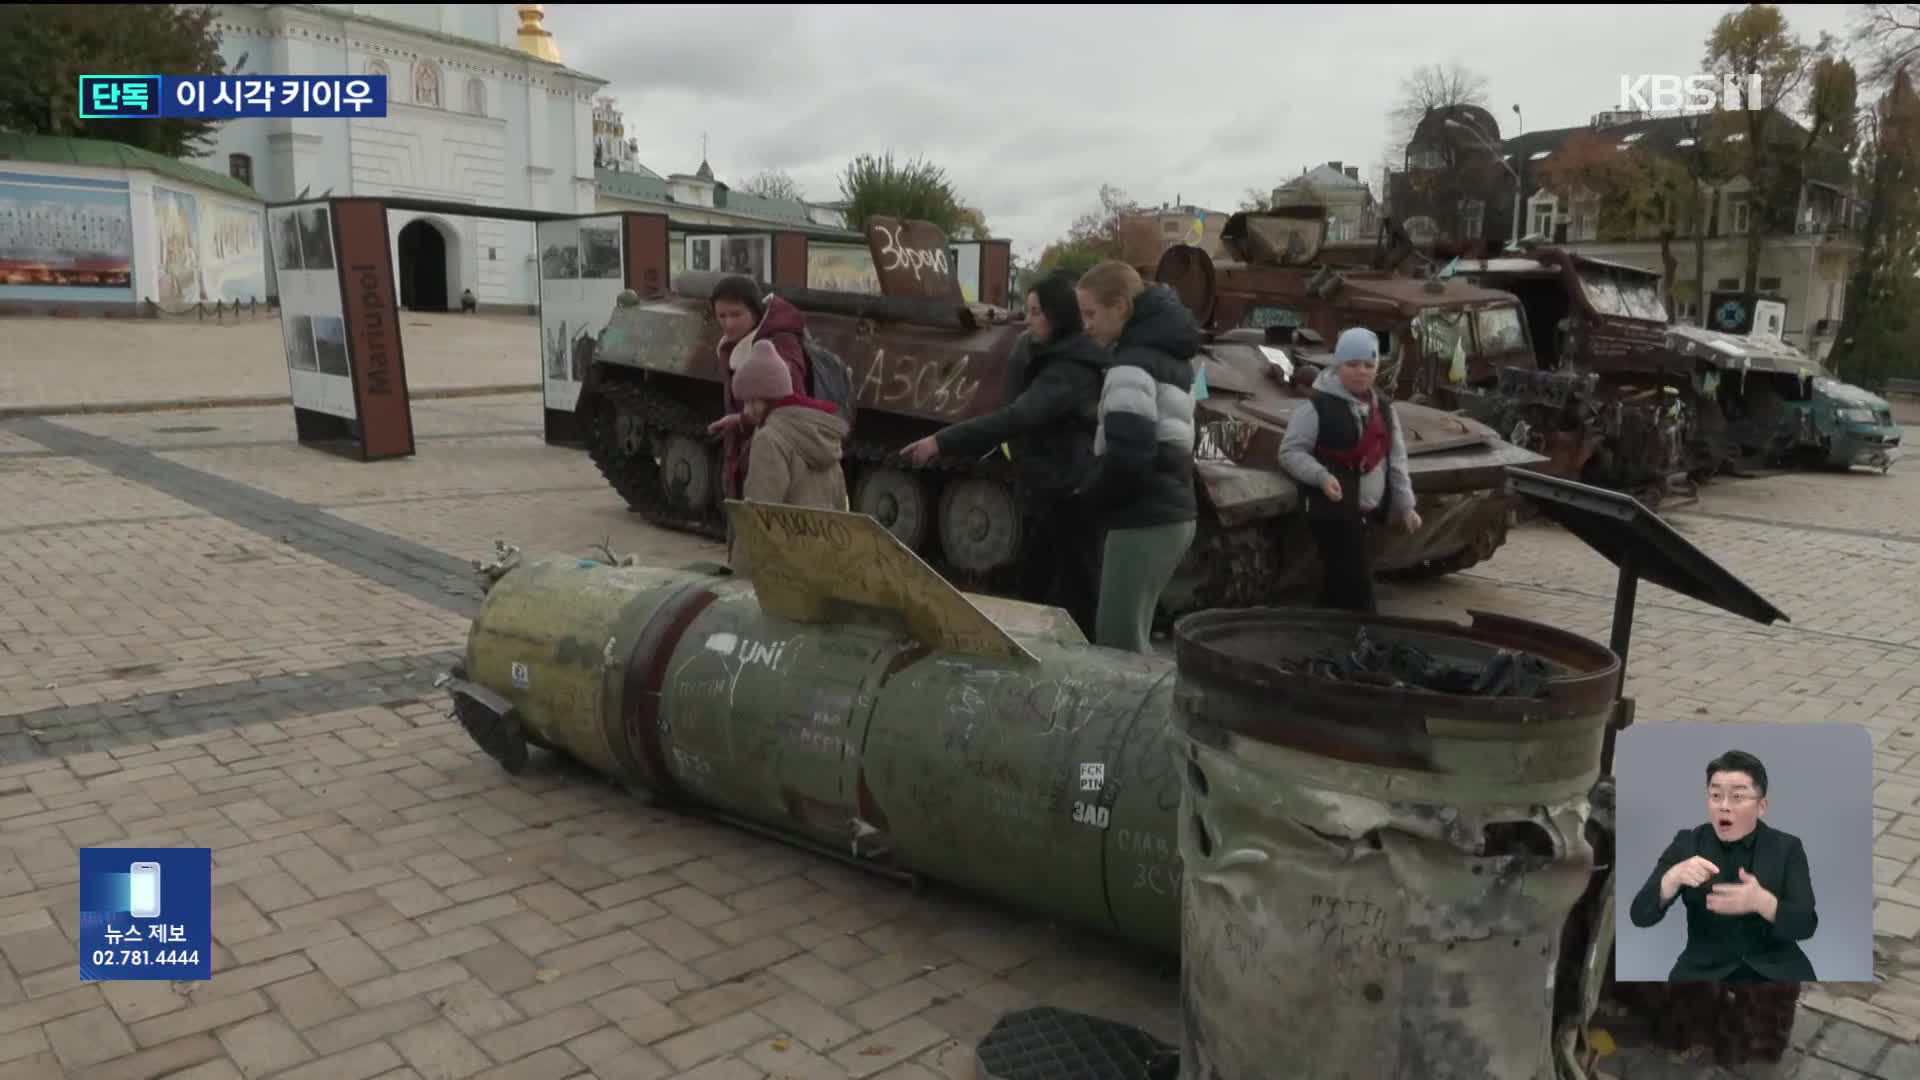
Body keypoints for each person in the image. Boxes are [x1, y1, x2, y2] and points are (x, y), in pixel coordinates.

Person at [900, 271, 1106, 638]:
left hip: (1070, 493)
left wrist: (941, 441)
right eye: (1026, 310)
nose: (1028, 320)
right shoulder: (1050, 352)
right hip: (1051, 489)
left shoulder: (1069, 369)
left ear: (1059, 314)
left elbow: (1018, 416)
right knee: (1037, 585)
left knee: (1075, 589)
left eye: (1037, 312)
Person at [1072, 261, 1200, 653]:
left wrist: (1088, 496)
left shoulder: (1131, 364)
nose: (1086, 326)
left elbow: (1129, 457)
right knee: (1133, 635)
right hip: (1172, 511)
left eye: (1091, 313)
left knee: (1118, 644)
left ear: (1121, 306)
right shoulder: (1169, 355)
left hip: (1142, 517)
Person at [1628, 750, 1819, 983]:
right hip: (1703, 972)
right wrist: (1671, 878)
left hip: (1775, 970)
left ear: (1762, 806)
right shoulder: (1687, 843)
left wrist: (1762, 902)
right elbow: (1639, 915)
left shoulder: (1787, 848)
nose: (1724, 806)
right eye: (1716, 795)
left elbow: (1806, 925)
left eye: (1737, 797)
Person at [1276, 327, 1422, 613]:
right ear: (1338, 365)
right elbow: (1290, 452)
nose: (1361, 372)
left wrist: (1406, 506)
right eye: (1352, 364)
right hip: (1332, 511)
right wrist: (1321, 476)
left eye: (1369, 365)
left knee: (1338, 585)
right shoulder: (1316, 407)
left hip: (1367, 513)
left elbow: (1396, 459)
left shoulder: (1384, 408)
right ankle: (1367, 639)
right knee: (1358, 589)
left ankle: (1322, 636)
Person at [730, 340, 850, 572]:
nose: (746, 410)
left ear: (765, 397)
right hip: (823, 560)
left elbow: (759, 515)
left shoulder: (770, 438)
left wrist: (739, 574)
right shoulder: (819, 431)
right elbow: (840, 502)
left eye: (750, 400)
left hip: (784, 566)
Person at [704, 275, 810, 501]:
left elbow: (791, 411)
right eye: (721, 316)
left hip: (774, 467)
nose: (728, 324)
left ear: (755, 311)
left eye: (736, 314)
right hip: (749, 459)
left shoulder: (780, 346)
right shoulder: (736, 344)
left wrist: (743, 421)